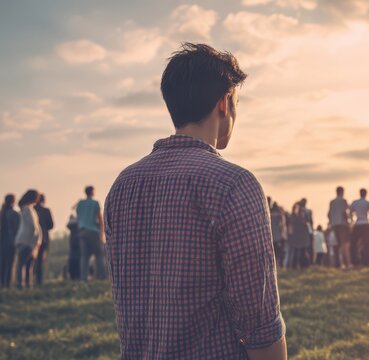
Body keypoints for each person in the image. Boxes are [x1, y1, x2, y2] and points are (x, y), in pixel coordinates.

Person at [104, 43, 286, 359]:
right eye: (237, 102)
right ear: (224, 103)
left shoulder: (123, 186)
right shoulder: (233, 184)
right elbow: (260, 324)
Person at [76, 186, 106, 281]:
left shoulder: (80, 204)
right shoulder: (95, 203)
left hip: (82, 231)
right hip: (93, 231)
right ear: (92, 192)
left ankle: (83, 278)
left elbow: (78, 218)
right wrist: (102, 233)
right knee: (99, 255)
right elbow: (100, 219)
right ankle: (101, 276)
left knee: (84, 256)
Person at [14, 190, 42, 289]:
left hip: (26, 240)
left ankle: (23, 286)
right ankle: (25, 286)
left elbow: (34, 228)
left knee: (23, 265)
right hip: (29, 241)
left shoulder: (28, 210)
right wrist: (36, 242)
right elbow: (35, 227)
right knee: (26, 266)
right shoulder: (29, 210)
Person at [329, 186, 351, 269]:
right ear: (342, 192)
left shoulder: (332, 202)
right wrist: (349, 223)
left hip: (334, 224)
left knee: (337, 245)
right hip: (342, 224)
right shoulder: (343, 201)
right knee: (344, 244)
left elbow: (329, 214)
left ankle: (337, 264)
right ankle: (347, 264)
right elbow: (345, 213)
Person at [1, 194, 21, 288]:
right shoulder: (14, 214)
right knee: (10, 263)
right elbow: (18, 228)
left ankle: (2, 284)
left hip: (2, 242)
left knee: (2, 263)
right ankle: (8, 284)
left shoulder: (2, 213)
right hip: (11, 242)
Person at [350, 188, 369, 266]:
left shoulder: (355, 202)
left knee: (354, 244)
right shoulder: (367, 203)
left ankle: (355, 261)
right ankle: (367, 261)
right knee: (367, 244)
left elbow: (350, 213)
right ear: (366, 194)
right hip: (366, 224)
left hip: (358, 223)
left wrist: (352, 222)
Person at [34, 194, 54, 286]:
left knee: (32, 261)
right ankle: (39, 281)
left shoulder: (32, 209)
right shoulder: (46, 211)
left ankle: (30, 280)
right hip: (44, 238)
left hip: (33, 238)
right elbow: (51, 225)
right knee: (40, 261)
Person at [288, 202, 310, 270]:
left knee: (301, 251)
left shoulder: (301, 216)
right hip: (298, 236)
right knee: (298, 251)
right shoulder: (295, 216)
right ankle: (297, 266)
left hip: (301, 236)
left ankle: (302, 266)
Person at [270, 202, 287, 268]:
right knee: (279, 252)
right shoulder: (279, 216)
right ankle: (279, 265)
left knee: (274, 252)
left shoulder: (269, 215)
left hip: (272, 237)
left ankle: (275, 265)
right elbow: (281, 226)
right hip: (278, 237)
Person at [66, 214, 81, 281]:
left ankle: (75, 277)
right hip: (75, 255)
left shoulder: (73, 233)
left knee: (75, 261)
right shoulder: (75, 233)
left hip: (74, 255)